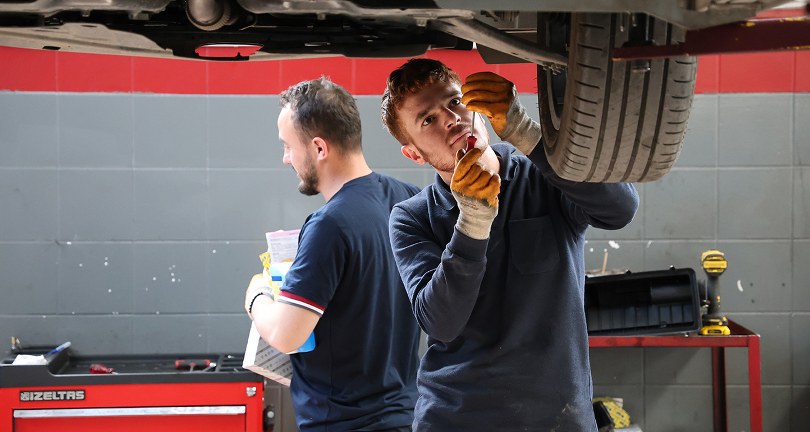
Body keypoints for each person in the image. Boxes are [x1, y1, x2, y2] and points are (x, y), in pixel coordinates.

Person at [381, 58, 640, 431]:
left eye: (454, 102)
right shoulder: (412, 217)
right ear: (414, 154)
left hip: (557, 419)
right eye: (427, 120)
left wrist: (526, 132)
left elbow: (621, 209)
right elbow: (441, 322)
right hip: (456, 419)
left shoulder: (543, 176)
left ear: (475, 106)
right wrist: (472, 224)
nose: (450, 119)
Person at [244, 77, 421, 432]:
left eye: (288, 147)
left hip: (344, 423)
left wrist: (257, 296)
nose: (285, 159)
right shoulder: (410, 199)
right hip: (406, 416)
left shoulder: (330, 225)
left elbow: (286, 334)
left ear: (320, 148)